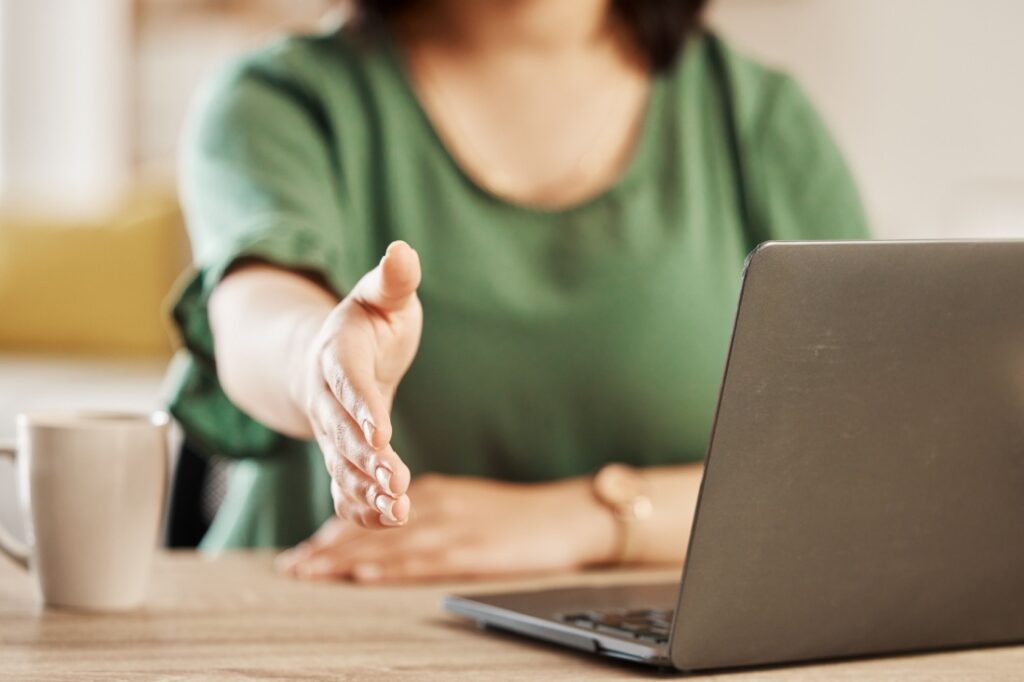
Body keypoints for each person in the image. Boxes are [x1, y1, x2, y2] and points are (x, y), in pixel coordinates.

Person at [169, 0, 869, 582]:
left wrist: (591, 518)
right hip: (312, 631)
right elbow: (255, 305)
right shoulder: (277, 97)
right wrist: (316, 359)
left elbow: (859, 466)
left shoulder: (760, 119)